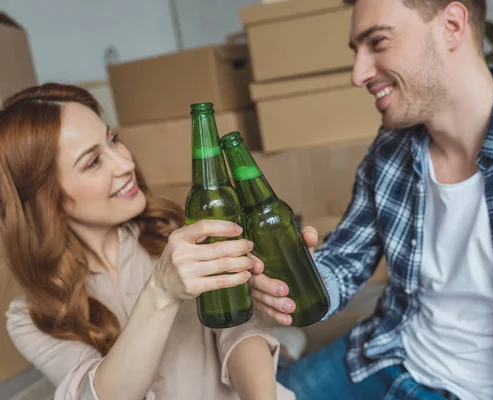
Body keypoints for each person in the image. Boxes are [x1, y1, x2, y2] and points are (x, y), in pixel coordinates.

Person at [251, 0, 493, 399]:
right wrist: (300, 283)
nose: (358, 73)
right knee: (253, 391)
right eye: (356, 52)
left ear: (451, 25)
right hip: (392, 354)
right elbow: (345, 259)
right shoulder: (390, 149)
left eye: (378, 42)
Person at [1, 84, 294, 400]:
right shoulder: (34, 317)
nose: (125, 164)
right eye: (93, 162)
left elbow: (239, 330)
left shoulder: (178, 231)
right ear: (48, 200)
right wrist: (161, 292)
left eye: (113, 139)